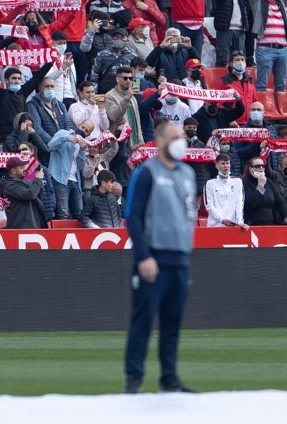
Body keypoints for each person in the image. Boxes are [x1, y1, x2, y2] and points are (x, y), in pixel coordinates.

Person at [123, 119, 197, 394]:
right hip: (153, 257)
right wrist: (143, 256)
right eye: (176, 137)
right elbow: (132, 216)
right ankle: (133, 379)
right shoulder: (146, 173)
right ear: (162, 140)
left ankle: (169, 378)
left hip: (179, 258)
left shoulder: (188, 173)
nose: (182, 141)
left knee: (173, 322)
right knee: (143, 321)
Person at [2, 155, 46, 228]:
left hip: (34, 224)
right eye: (21, 168)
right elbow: (30, 194)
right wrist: (38, 180)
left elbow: (37, 195)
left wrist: (38, 182)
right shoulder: (9, 185)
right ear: (13, 171)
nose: (24, 169)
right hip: (20, 227)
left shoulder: (26, 182)